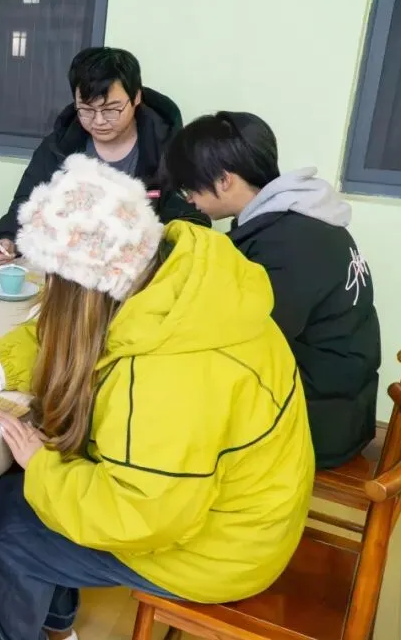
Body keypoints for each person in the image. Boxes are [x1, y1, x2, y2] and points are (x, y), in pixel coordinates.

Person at [0, 155, 314, 640]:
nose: (50, 295)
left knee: (9, 526)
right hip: (245, 512)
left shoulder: (168, 375)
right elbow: (64, 336)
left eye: (55, 283)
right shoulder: (175, 282)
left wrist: (43, 467)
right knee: (27, 488)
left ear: (83, 291)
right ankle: (57, 625)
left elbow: (140, 516)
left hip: (218, 550)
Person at [161, 111, 381, 469]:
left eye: (191, 188)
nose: (189, 200)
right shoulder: (301, 221)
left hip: (317, 422)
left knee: (165, 406)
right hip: (341, 405)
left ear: (224, 180)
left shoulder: (288, 243)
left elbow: (245, 343)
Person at [0, 47, 208, 268]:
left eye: (111, 110)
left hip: (144, 277)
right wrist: (7, 239)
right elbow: (26, 205)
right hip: (71, 275)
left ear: (136, 97)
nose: (99, 121)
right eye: (87, 110)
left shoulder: (169, 149)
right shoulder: (60, 147)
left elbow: (195, 221)